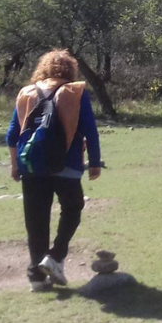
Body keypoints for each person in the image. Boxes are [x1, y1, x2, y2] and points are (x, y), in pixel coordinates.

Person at [6, 49, 102, 291]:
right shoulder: (76, 92)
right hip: (66, 163)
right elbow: (90, 131)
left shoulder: (26, 93)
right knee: (72, 208)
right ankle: (56, 256)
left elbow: (12, 134)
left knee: (35, 220)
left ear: (43, 69)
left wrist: (15, 164)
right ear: (70, 70)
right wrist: (95, 162)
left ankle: (36, 277)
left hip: (31, 165)